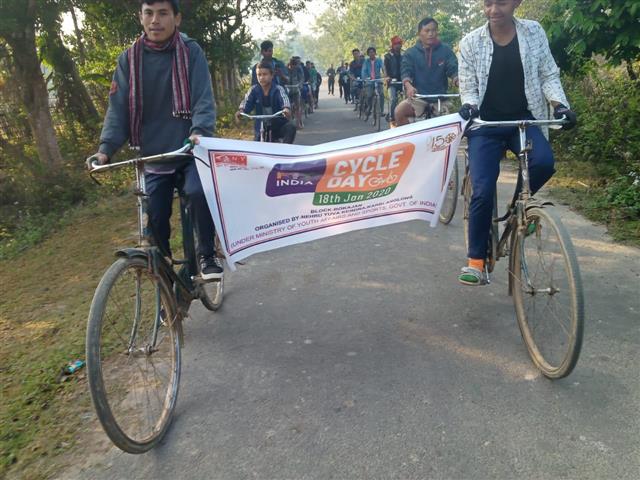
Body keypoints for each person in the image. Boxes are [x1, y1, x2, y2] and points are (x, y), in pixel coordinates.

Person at [90, 0, 221, 280]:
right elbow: (118, 110)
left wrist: (199, 131)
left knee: (198, 192)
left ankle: (207, 254)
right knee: (156, 218)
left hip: (189, 150)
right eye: (148, 13)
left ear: (177, 18)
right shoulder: (129, 60)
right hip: (153, 156)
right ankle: (168, 279)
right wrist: (104, 150)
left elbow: (203, 99)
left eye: (163, 13)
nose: (155, 20)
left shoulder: (191, 52)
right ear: (140, 17)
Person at [456, 0, 577, 285]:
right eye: (488, 3)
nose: (494, 9)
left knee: (544, 163)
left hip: (524, 119)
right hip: (485, 125)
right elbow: (468, 85)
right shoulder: (471, 42)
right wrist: (469, 105)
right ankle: (476, 260)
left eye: (501, 2)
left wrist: (560, 105)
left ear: (517, 3)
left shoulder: (534, 32)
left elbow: (548, 73)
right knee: (483, 190)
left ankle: (518, 210)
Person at [395, 17, 458, 126]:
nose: (431, 34)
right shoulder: (411, 53)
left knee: (455, 121)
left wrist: (458, 80)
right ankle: (411, 136)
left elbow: (453, 69)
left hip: (440, 99)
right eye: (427, 30)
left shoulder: (446, 50)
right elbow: (406, 71)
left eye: (434, 30)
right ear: (419, 33)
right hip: (418, 98)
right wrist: (409, 86)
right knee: (399, 112)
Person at [236, 61, 296, 144]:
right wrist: (241, 111)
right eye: (259, 75)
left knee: (291, 127)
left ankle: (285, 150)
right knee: (256, 146)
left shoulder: (278, 89)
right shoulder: (253, 90)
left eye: (265, 74)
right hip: (260, 127)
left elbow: (284, 99)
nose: (261, 77)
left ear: (272, 75)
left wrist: (286, 108)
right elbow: (246, 102)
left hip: (278, 125)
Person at [384, 36, 403, 126]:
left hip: (402, 81)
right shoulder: (388, 56)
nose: (398, 46)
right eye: (396, 44)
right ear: (392, 45)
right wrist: (387, 77)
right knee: (393, 99)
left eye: (399, 44)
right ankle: (392, 118)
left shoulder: (404, 56)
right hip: (391, 82)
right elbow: (385, 69)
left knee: (407, 99)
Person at [360, 46, 385, 118]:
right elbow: (363, 71)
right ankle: (369, 107)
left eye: (373, 52)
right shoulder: (366, 62)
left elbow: (383, 68)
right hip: (369, 81)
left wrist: (385, 76)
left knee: (381, 94)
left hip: (378, 80)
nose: (372, 53)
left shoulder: (379, 60)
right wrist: (365, 78)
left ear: (375, 53)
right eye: (370, 52)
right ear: (368, 54)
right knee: (369, 95)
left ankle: (381, 111)